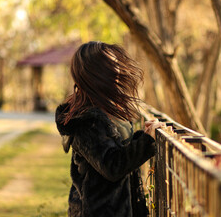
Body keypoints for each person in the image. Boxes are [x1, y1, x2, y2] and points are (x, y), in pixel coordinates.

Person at [55, 41, 165, 217]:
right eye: (111, 65)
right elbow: (112, 165)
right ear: (95, 72)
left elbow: (114, 150)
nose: (118, 70)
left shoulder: (105, 109)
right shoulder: (86, 121)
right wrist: (146, 143)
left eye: (117, 64)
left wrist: (141, 137)